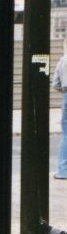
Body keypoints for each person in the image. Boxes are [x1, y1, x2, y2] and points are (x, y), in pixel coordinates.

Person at [52, 51, 67, 179]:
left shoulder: (63, 60)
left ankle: (62, 171)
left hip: (66, 96)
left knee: (65, 133)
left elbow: (55, 84)